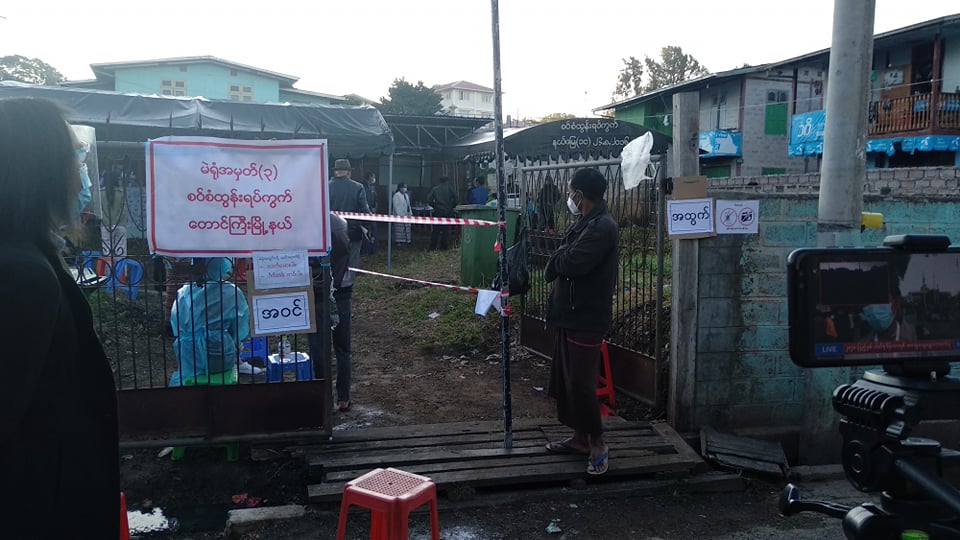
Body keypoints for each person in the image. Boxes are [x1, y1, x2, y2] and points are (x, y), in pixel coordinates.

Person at [0, 97, 120, 537]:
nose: (82, 171)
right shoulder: (20, 274)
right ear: (40, 167)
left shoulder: (25, 254)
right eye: (76, 156)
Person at [543, 167, 618, 476]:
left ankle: (597, 442)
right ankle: (579, 438)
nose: (569, 197)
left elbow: (573, 261)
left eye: (571, 192)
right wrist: (560, 258)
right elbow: (566, 255)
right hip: (570, 312)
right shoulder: (586, 222)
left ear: (580, 195)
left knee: (581, 384)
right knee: (567, 379)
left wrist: (556, 260)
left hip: (586, 315)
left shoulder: (602, 227)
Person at [169, 257, 251, 385]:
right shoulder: (230, 291)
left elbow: (176, 323)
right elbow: (240, 327)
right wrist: (232, 340)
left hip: (188, 356)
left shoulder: (184, 291)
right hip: (220, 355)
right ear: (221, 266)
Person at [308, 213, 354, 412]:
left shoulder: (304, 222)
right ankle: (343, 397)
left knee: (318, 347)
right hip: (341, 289)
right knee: (343, 347)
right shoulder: (340, 222)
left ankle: (324, 398)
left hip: (315, 290)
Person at [328, 158, 370, 273]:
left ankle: (333, 282)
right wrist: (367, 227)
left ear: (335, 172)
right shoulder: (358, 187)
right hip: (353, 231)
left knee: (332, 261)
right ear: (348, 171)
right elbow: (365, 211)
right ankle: (349, 282)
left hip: (331, 232)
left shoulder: (325, 187)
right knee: (352, 261)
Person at [427, 175, 458, 250]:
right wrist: (451, 206)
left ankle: (433, 247)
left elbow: (429, 200)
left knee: (436, 230)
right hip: (447, 211)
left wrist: (435, 206)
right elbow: (456, 199)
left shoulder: (435, 189)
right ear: (447, 181)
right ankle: (443, 247)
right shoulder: (450, 189)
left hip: (438, 211)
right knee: (445, 230)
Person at [360, 171, 378, 255]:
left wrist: (375, 207)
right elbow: (363, 201)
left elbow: (375, 199)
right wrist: (368, 210)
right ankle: (366, 250)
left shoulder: (371, 188)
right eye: (373, 177)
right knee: (366, 231)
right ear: (369, 177)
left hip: (371, 212)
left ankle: (371, 249)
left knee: (372, 230)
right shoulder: (362, 187)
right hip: (365, 213)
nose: (374, 179)